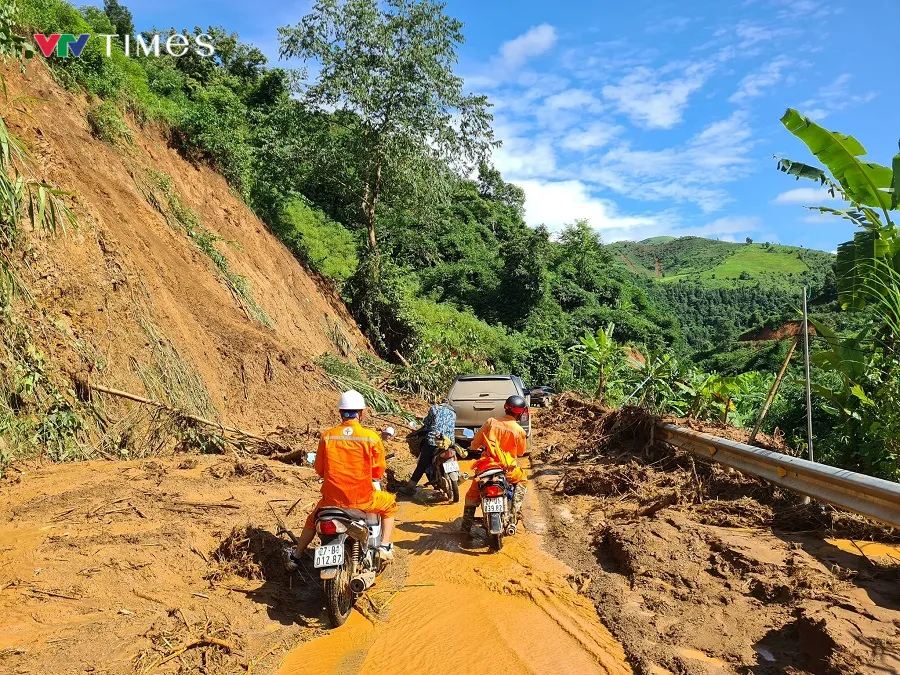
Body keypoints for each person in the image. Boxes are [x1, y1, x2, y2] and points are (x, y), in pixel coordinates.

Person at [288, 390, 399, 567]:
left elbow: (319, 469)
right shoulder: (371, 437)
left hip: (331, 501)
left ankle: (296, 556)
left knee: (312, 520)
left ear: (340, 413)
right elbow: (378, 472)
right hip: (363, 500)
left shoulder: (328, 436)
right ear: (361, 413)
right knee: (390, 505)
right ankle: (384, 547)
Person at [460, 395, 529, 534]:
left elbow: (476, 442)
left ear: (505, 407)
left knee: (473, 494)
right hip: (507, 470)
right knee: (523, 480)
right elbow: (521, 452)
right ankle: (514, 512)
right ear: (520, 413)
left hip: (486, 467)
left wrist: (473, 448)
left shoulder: (491, 422)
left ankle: (465, 527)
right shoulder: (519, 431)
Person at [400, 402, 456, 496]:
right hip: (449, 442)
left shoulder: (435, 408)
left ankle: (410, 487)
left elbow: (427, 423)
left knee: (422, 464)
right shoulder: (453, 414)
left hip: (434, 441)